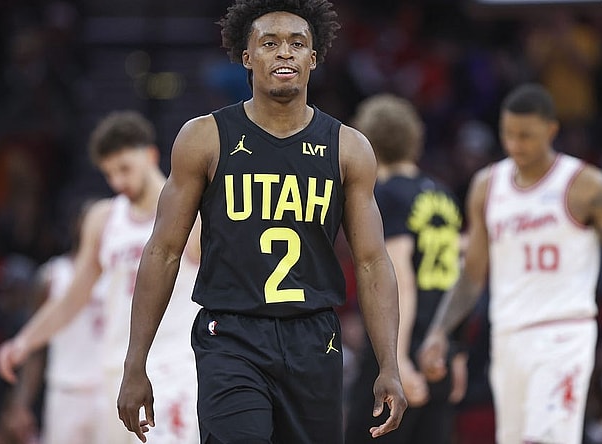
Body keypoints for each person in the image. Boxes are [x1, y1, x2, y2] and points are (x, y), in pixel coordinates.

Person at [116, 1, 407, 443]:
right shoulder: (204, 137)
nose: (284, 53)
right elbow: (163, 250)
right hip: (231, 335)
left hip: (314, 338)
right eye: (269, 44)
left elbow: (371, 261)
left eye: (297, 44)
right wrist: (135, 363)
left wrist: (389, 363)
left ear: (315, 57)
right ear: (246, 56)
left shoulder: (348, 148)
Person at [417, 83, 602, 444]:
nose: (516, 144)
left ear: (551, 131)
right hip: (508, 339)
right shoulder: (487, 186)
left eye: (527, 136)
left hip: (564, 335)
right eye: (509, 134)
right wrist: (440, 331)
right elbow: (472, 274)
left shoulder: (588, 187)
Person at [0, 110, 202, 444]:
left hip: (173, 367)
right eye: (109, 174)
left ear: (149, 155)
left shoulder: (189, 213)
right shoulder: (104, 218)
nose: (118, 182)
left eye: (124, 169)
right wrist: (25, 341)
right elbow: (73, 298)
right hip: (115, 371)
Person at [344, 93, 467, 444]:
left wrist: (394, 361)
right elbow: (458, 279)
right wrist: (456, 352)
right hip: (439, 348)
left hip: (402, 348)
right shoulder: (443, 193)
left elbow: (398, 278)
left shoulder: (386, 194)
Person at [0, 202, 106, 444]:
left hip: (109, 390)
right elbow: (36, 350)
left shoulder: (121, 272)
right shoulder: (53, 275)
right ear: (78, 226)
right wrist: (21, 403)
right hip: (65, 390)